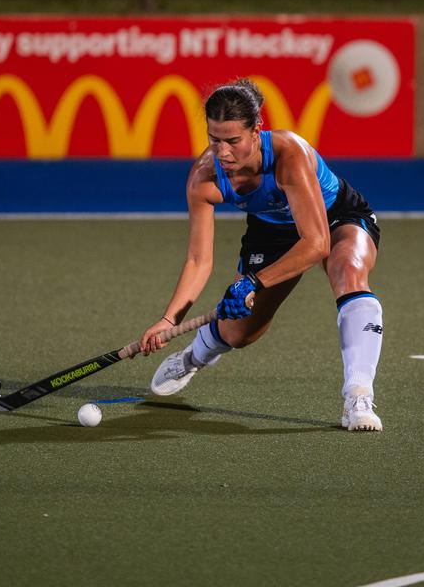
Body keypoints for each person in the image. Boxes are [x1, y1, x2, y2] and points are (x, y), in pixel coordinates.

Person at [138, 78, 385, 431]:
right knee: (240, 334)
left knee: (348, 270)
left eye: (233, 141)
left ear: (257, 131)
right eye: (214, 140)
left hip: (334, 217)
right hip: (271, 232)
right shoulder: (204, 180)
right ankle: (194, 356)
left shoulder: (288, 155)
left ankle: (358, 395)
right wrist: (168, 321)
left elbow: (316, 244)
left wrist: (255, 281)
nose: (223, 152)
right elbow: (198, 259)